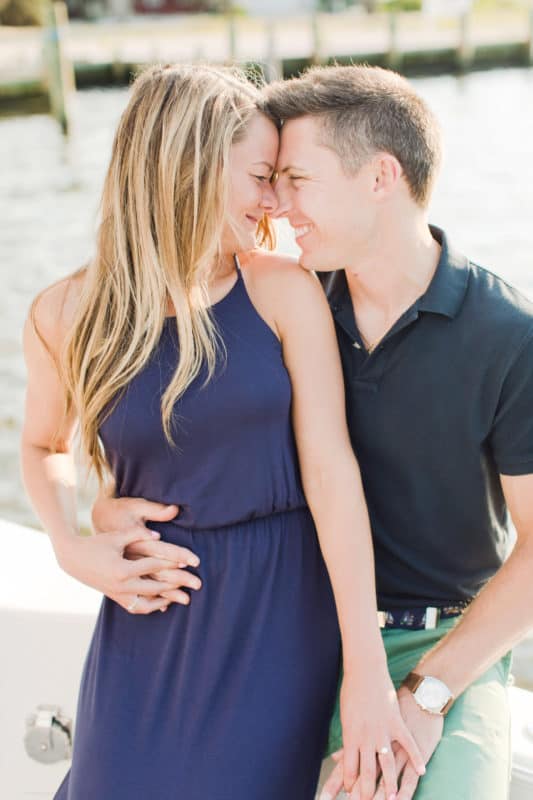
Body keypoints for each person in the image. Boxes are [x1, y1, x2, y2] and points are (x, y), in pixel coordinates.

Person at [96, 63, 533, 800]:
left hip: (440, 641)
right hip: (294, 627)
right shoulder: (283, 301)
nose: (277, 203)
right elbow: (173, 425)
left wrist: (426, 696)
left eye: (296, 179)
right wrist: (107, 510)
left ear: (379, 177)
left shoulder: (506, 336)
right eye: (269, 178)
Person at [21, 64, 423, 800]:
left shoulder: (279, 290)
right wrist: (74, 543)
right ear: (190, 165)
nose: (274, 199)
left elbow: (331, 478)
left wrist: (364, 670)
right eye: (261, 175)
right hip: (147, 614)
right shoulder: (66, 313)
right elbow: (42, 446)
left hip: (278, 614)